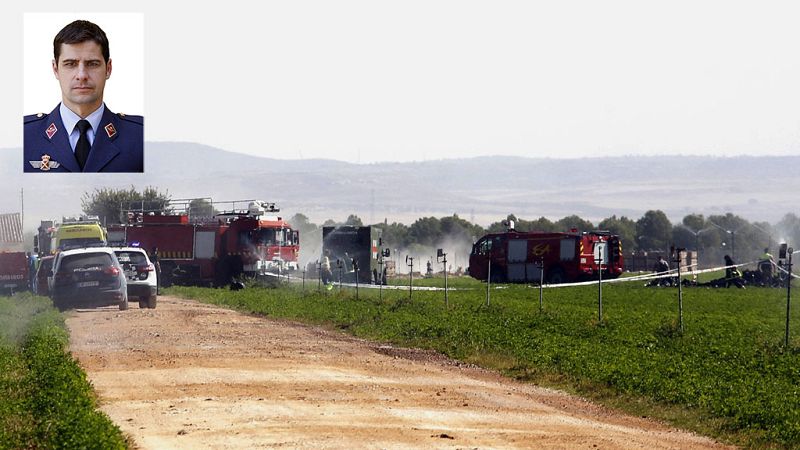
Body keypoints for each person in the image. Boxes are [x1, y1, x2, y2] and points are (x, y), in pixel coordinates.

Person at [24, 19, 143, 173]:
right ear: (55, 69)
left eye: (92, 63)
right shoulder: (24, 136)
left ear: (108, 68)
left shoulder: (140, 136)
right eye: (70, 64)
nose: (81, 75)